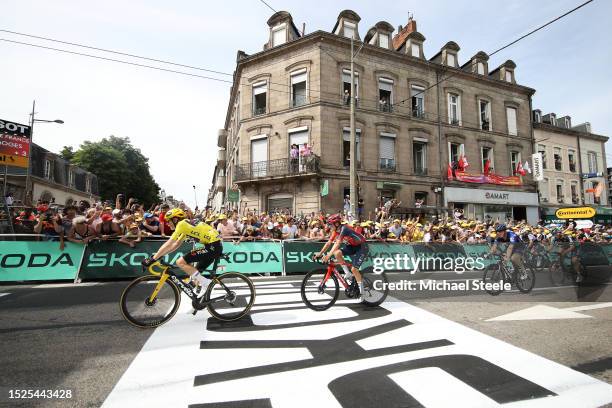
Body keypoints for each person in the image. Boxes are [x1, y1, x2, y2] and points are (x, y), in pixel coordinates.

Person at [142, 208, 222, 296]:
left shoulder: (181, 224)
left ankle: (207, 283)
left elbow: (169, 243)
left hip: (213, 246)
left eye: (169, 221)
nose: (167, 224)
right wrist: (161, 255)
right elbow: (176, 245)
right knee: (195, 274)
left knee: (180, 262)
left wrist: (153, 258)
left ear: (175, 219)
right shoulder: (186, 226)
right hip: (214, 246)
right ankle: (202, 299)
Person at [314, 213, 368, 300]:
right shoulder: (336, 231)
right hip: (352, 246)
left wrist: (328, 255)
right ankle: (348, 273)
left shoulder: (344, 228)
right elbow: (328, 243)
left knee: (354, 269)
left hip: (362, 247)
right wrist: (320, 254)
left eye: (331, 224)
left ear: (336, 223)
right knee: (337, 253)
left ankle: (362, 292)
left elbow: (338, 243)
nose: (330, 226)